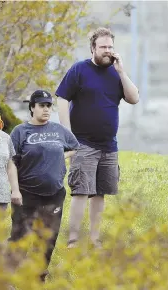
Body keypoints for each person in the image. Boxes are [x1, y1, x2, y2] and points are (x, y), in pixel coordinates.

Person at [55, 27, 139, 248]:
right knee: (81, 191)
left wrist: (121, 71)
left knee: (100, 193)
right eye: (103, 47)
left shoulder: (116, 73)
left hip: (109, 145)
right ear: (93, 48)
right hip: (82, 142)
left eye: (110, 47)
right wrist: (68, 134)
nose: (107, 51)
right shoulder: (79, 70)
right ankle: (73, 240)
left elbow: (134, 98)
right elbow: (62, 98)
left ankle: (94, 239)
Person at [8, 90, 79, 281]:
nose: (46, 109)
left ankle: (38, 276)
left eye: (48, 105)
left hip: (54, 194)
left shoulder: (59, 130)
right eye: (41, 105)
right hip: (26, 194)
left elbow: (75, 147)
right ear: (32, 108)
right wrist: (15, 189)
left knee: (47, 238)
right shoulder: (20, 132)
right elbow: (11, 162)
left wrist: (60, 156)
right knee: (20, 237)